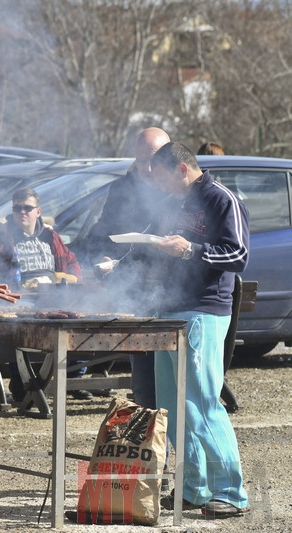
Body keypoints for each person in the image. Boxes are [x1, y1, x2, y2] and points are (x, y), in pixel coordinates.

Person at [149, 142, 250, 518]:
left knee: (201, 402)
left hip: (203, 312)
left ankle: (231, 491)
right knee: (173, 404)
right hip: (169, 310)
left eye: (161, 179)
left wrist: (190, 250)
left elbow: (238, 255)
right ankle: (194, 486)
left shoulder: (221, 199)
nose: (158, 188)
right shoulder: (174, 203)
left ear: (180, 170)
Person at [0, 188, 92, 401]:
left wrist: (71, 280)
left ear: (38, 211)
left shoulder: (49, 235)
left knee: (77, 312)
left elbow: (71, 260)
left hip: (53, 294)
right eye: (17, 208)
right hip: (20, 298)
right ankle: (24, 382)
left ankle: (74, 375)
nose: (22, 212)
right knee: (23, 320)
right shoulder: (1, 237)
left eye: (27, 208)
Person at [86, 126, 171, 409]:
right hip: (138, 296)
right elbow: (102, 233)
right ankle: (151, 441)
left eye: (154, 159)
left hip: (175, 298)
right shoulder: (123, 189)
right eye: (142, 159)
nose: (147, 168)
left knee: (174, 387)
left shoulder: (179, 191)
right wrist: (103, 259)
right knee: (144, 385)